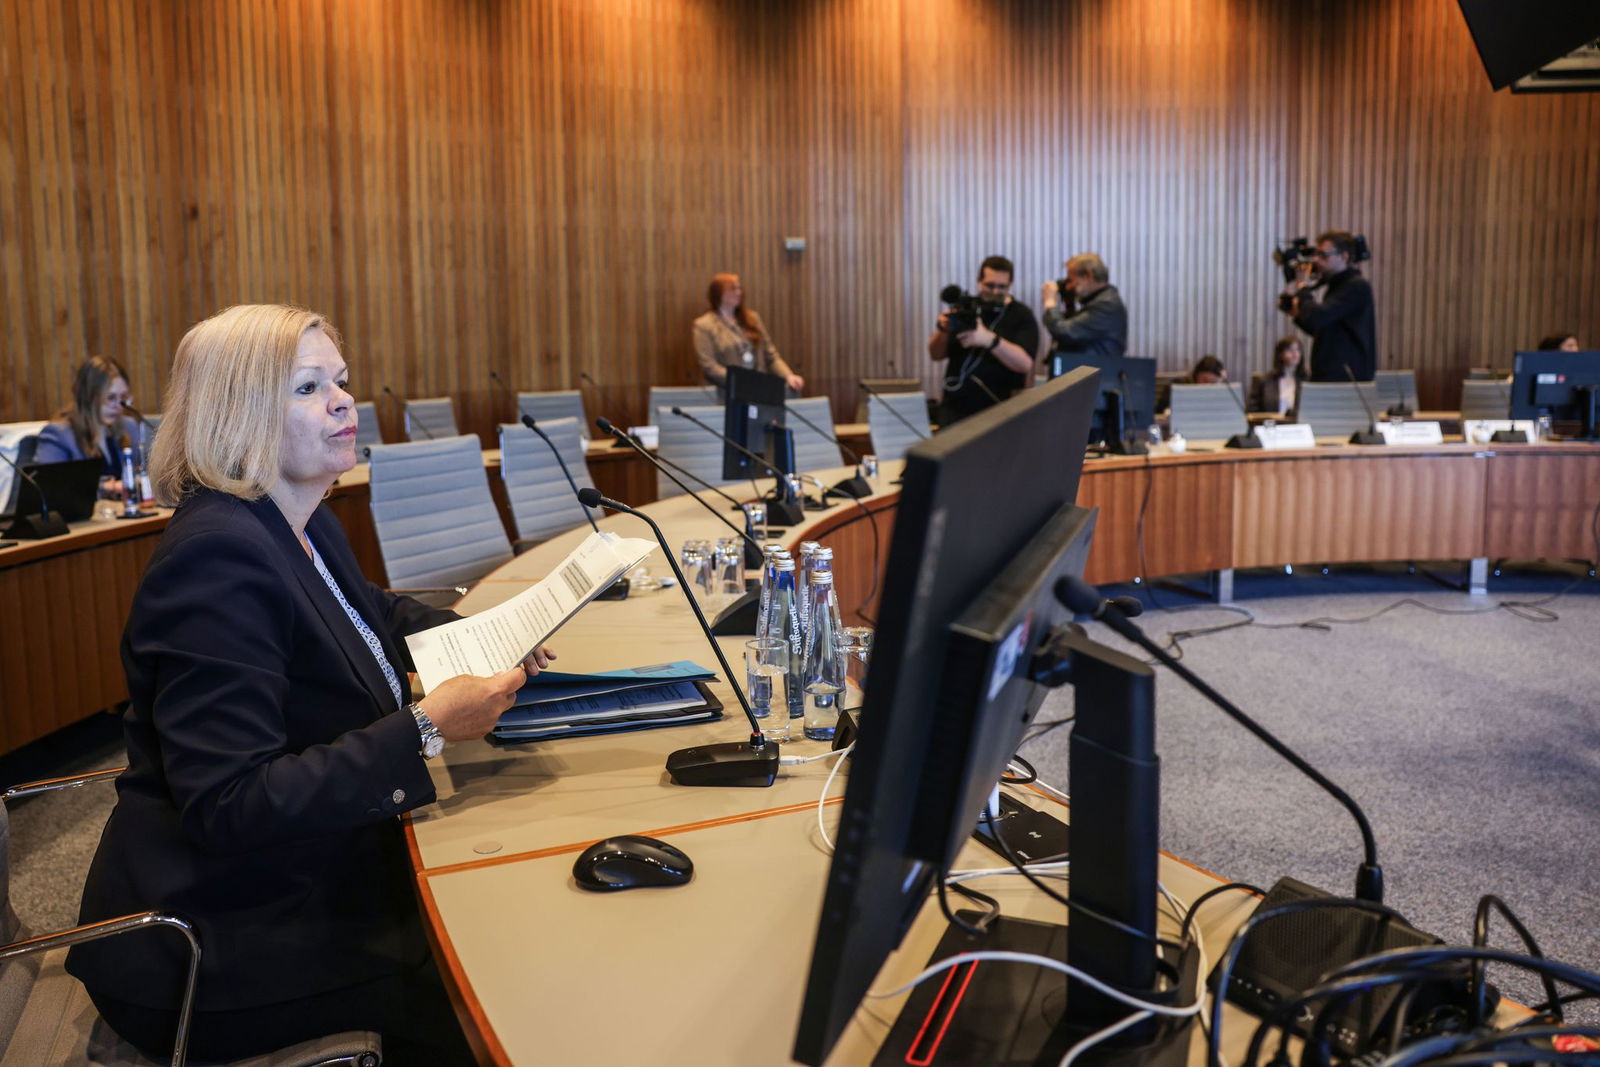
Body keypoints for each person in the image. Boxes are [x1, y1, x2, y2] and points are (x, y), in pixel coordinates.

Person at [65, 305, 554, 1065]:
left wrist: (490, 627)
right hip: (218, 938)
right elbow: (228, 805)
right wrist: (425, 727)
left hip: (297, 874)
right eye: (307, 387)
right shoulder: (215, 559)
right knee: (496, 977)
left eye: (342, 381)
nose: (342, 402)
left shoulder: (296, 515)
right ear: (241, 411)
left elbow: (369, 612)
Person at [928, 254, 1040, 425]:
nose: (995, 291)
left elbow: (1025, 364)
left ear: (1010, 284)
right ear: (978, 280)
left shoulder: (1021, 315)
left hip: (1002, 409)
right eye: (990, 285)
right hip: (956, 408)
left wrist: (989, 340)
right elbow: (935, 354)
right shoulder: (965, 308)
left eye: (1002, 286)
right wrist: (943, 329)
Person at [1279, 230, 1376, 382]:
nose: (1316, 260)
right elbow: (1322, 330)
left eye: (1323, 255)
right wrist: (1296, 314)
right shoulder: (1337, 286)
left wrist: (1302, 288)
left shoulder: (1356, 286)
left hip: (1347, 379)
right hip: (1331, 375)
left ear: (1344, 256)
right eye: (1316, 254)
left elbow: (1317, 317)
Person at [34, 356, 138, 488]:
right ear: (89, 397)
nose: (118, 406)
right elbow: (50, 487)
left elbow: (142, 474)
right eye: (110, 398)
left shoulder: (129, 426)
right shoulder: (59, 435)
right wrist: (107, 487)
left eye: (123, 398)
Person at [692, 273, 804, 395]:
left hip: (758, 391)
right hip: (726, 393)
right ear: (718, 293)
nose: (739, 292)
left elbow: (771, 356)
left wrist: (788, 375)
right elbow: (709, 366)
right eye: (733, 288)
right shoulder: (703, 325)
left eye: (740, 288)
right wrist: (742, 381)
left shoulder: (752, 318)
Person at [1039, 252, 1128, 372]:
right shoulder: (1098, 302)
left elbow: (1064, 332)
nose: (1069, 287)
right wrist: (1069, 304)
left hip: (1096, 384)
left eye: (1071, 280)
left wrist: (1050, 303)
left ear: (1088, 275)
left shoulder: (1106, 305)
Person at [1248, 337, 1306, 416]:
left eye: (1298, 350)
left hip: (1301, 426)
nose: (1295, 354)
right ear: (1280, 354)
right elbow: (1252, 412)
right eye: (1290, 350)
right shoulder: (1263, 380)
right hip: (1271, 425)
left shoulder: (1308, 380)